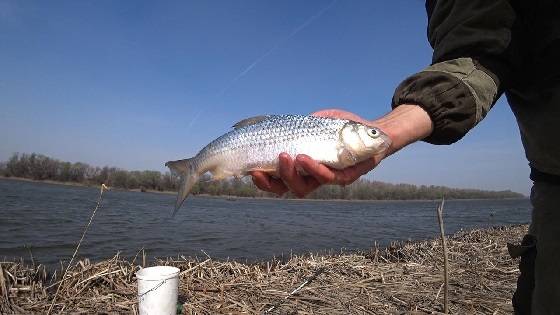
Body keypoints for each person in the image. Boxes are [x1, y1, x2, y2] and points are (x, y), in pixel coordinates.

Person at [250, 1, 560, 314]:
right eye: (372, 135)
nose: (377, 138)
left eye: (373, 135)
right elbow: (474, 53)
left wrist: (381, 132)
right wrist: (389, 130)